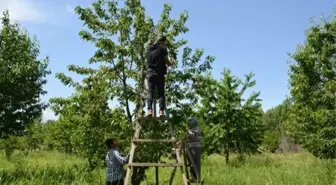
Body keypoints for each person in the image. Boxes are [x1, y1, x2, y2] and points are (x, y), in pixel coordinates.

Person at [146, 35, 173, 117]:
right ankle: (161, 112)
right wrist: (172, 62)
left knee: (150, 92)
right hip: (160, 74)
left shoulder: (149, 49)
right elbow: (167, 62)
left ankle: (149, 110)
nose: (165, 44)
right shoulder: (163, 49)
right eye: (164, 42)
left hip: (150, 73)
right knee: (161, 94)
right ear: (162, 41)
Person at [185, 117, 201, 183]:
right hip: (189, 147)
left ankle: (197, 178)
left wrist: (188, 131)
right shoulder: (190, 129)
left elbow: (193, 136)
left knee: (196, 163)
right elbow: (186, 138)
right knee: (190, 163)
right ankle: (192, 178)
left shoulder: (197, 129)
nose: (188, 125)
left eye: (189, 123)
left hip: (195, 147)